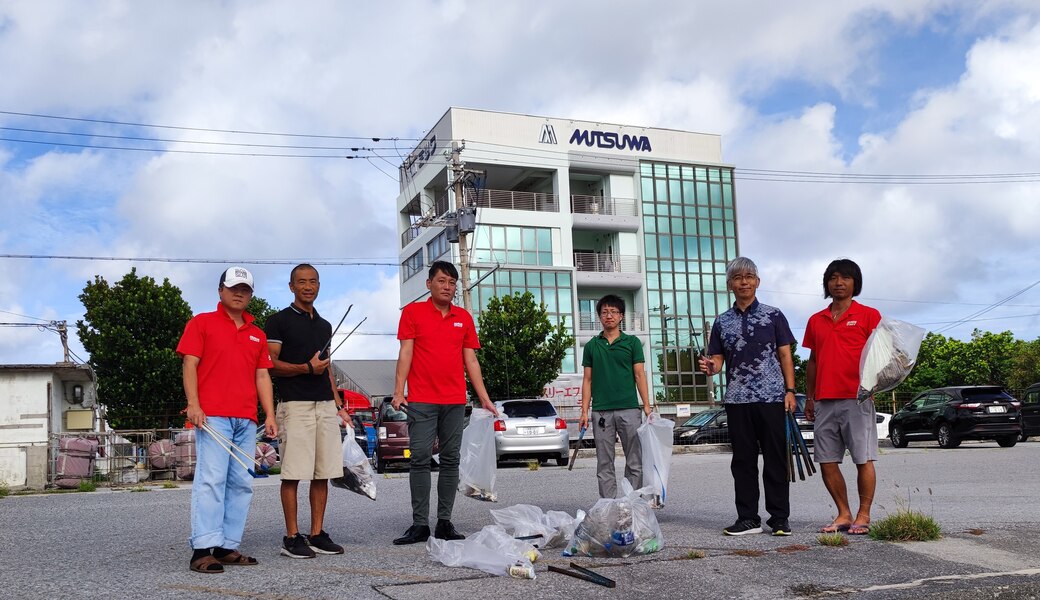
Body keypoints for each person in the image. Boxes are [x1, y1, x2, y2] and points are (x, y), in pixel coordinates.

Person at [390, 261, 500, 545]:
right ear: (429, 284)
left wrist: (484, 398)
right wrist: (398, 391)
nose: (447, 286)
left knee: (451, 461)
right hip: (422, 400)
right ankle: (418, 525)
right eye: (441, 281)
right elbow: (405, 353)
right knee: (420, 459)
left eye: (452, 282)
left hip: (454, 400)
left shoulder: (463, 317)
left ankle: (444, 522)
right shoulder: (412, 313)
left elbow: (471, 360)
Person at [177, 266, 276, 574]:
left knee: (241, 483)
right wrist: (193, 404)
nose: (238, 293)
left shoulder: (258, 335)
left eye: (245, 289)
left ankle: (226, 546)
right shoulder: (201, 323)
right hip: (213, 417)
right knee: (212, 480)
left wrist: (269, 414)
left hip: (246, 419)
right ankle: (202, 550)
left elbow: (262, 376)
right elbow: (190, 364)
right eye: (233, 287)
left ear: (250, 295)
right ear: (220, 290)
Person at [698, 257, 797, 536]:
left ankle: (779, 518)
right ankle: (748, 518)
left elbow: (785, 354)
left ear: (758, 282)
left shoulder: (773, 315)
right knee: (742, 461)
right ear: (730, 284)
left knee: (776, 458)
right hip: (737, 399)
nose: (744, 281)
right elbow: (717, 360)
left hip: (772, 398)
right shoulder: (722, 321)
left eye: (749, 276)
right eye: (738, 277)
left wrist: (790, 391)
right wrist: (710, 367)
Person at [265, 264, 348, 559]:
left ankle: (316, 533)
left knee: (322, 472)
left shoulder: (324, 325)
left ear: (319, 285)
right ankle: (291, 536)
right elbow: (269, 365)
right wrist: (305, 368)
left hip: (324, 405)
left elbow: (326, 369)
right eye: (302, 282)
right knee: (292, 473)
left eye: (313, 281)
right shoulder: (278, 321)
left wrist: (339, 405)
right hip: (294, 405)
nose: (308, 286)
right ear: (291, 287)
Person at [803, 258, 882, 536]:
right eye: (834, 278)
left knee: (863, 458)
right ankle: (844, 513)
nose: (839, 283)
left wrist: (875, 385)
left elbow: (882, 356)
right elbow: (813, 360)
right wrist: (810, 397)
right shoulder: (816, 320)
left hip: (857, 398)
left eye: (846, 278)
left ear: (854, 283)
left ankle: (863, 514)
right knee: (826, 460)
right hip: (824, 400)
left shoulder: (869, 315)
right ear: (827, 283)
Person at [578, 294, 652, 499]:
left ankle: (632, 505)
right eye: (604, 312)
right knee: (604, 462)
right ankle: (608, 507)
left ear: (621, 316)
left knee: (635, 460)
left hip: (629, 409)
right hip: (601, 411)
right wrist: (584, 411)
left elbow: (639, 374)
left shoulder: (632, 342)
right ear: (599, 317)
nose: (608, 316)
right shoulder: (592, 345)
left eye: (613, 312)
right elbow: (587, 380)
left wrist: (647, 406)